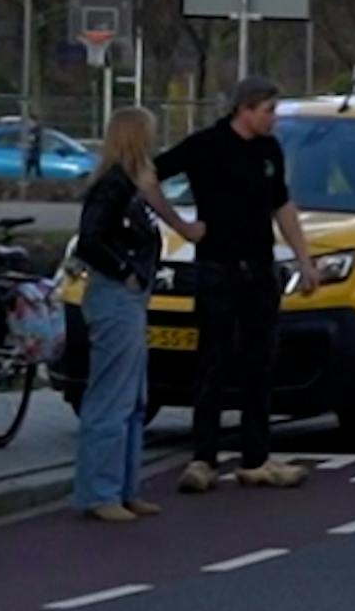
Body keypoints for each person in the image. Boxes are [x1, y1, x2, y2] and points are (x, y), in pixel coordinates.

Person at [156, 77, 318, 493]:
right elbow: (150, 173)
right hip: (217, 267)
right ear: (245, 109)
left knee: (259, 364)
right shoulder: (205, 145)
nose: (274, 120)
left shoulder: (269, 150)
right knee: (211, 361)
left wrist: (303, 258)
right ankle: (203, 457)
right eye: (268, 111)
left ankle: (255, 457)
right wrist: (180, 224)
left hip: (260, 268)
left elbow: (282, 204)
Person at [74, 108, 204, 522]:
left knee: (133, 397)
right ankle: (101, 491)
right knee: (112, 395)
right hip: (116, 297)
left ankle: (125, 487)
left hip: (132, 298)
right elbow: (90, 240)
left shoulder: (132, 186)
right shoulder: (112, 188)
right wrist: (126, 272)